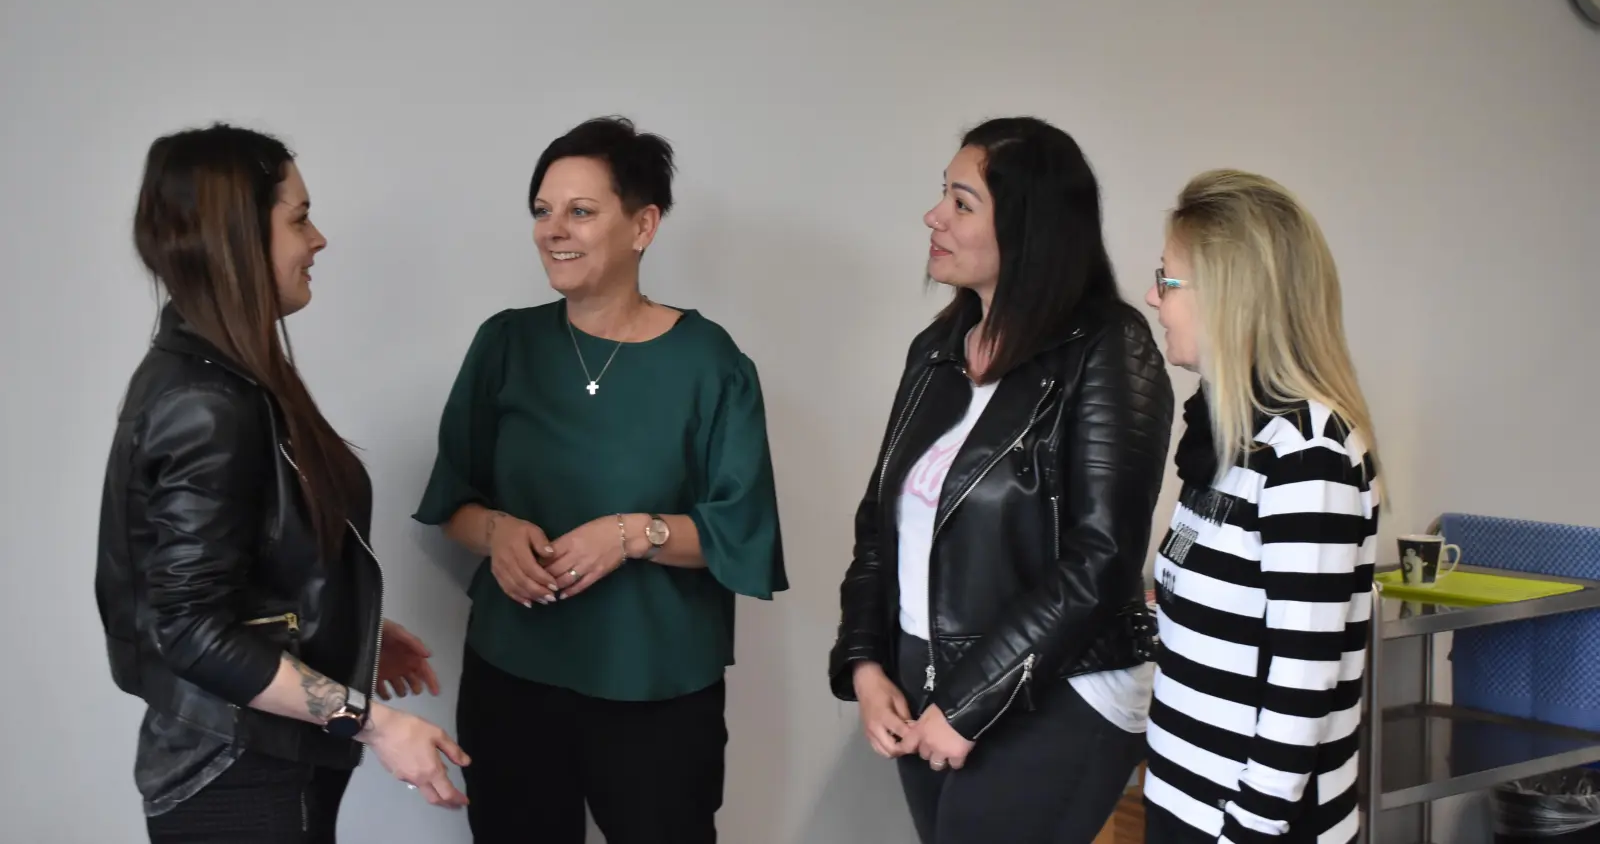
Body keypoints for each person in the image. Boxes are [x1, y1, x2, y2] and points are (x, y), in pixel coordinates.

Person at [413, 115, 787, 844]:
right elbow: (452, 499)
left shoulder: (710, 363)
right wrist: (497, 532)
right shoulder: (505, 344)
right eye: (542, 211)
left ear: (643, 225)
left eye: (581, 211)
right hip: (512, 677)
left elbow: (739, 530)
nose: (555, 230)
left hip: (656, 686)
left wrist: (630, 534)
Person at [94, 123, 471, 843]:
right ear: (237, 235)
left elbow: (237, 574)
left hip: (251, 767)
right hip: (239, 777)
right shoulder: (204, 403)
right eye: (299, 218)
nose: (319, 239)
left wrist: (347, 627)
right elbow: (191, 630)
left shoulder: (221, 376)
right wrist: (372, 721)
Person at [827, 116, 1175, 844]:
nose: (934, 217)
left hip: (1061, 687)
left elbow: (1100, 560)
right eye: (941, 197)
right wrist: (864, 664)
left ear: (1028, 227)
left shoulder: (1110, 346)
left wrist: (970, 702)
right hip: (925, 678)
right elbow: (877, 527)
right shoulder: (937, 350)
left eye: (961, 202)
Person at [1140, 170, 1381, 844]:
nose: (1152, 299)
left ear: (1227, 295)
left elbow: (1299, 695)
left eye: (1167, 279)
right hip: (1183, 799)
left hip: (1250, 828)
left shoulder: (1309, 456)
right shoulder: (1229, 434)